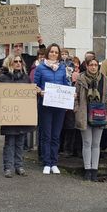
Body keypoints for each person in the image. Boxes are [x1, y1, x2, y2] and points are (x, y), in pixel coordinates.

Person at [0, 55, 36, 177]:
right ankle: (8, 167)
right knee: (9, 143)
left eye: (20, 61)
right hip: (9, 115)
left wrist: (36, 91)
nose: (18, 63)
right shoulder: (2, 78)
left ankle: (19, 166)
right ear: (9, 63)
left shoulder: (26, 78)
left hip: (22, 116)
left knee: (20, 142)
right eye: (15, 61)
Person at [74, 56, 107, 181]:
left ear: (98, 66)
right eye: (91, 65)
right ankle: (87, 169)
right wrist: (76, 109)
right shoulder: (80, 79)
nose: (93, 67)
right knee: (87, 143)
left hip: (100, 114)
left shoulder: (104, 80)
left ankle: (94, 170)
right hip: (84, 114)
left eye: (95, 65)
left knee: (96, 144)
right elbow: (75, 96)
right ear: (86, 66)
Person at [34, 43, 70, 174]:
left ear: (59, 55)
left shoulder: (62, 68)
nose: (54, 54)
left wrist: (71, 95)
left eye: (56, 52)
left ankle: (54, 162)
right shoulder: (40, 68)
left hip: (59, 107)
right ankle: (46, 163)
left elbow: (66, 84)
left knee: (56, 135)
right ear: (48, 53)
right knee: (46, 135)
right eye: (52, 52)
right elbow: (35, 85)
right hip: (46, 106)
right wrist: (40, 91)